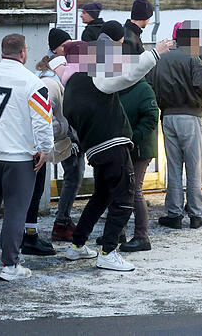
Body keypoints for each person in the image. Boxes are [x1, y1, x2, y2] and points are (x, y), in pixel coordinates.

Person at [62, 35, 174, 271]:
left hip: (95, 151)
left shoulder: (69, 89)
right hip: (113, 146)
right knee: (124, 198)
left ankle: (77, 245)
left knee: (100, 198)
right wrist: (155, 53)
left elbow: (70, 126)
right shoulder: (92, 78)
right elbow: (128, 76)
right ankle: (108, 251)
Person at [0, 34, 55, 281]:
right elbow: (43, 122)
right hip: (19, 158)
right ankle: (10, 264)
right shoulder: (32, 82)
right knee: (15, 211)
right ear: (23, 53)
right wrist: (45, 150)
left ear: (2, 51)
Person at [151, 20, 202, 230]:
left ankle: (174, 213)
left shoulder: (162, 59)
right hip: (191, 117)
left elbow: (152, 84)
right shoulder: (193, 59)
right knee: (194, 168)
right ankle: (196, 214)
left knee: (174, 167)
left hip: (168, 117)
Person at [20, 28, 74, 256]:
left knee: (31, 191)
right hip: (37, 145)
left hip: (32, 143)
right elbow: (45, 118)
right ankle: (29, 237)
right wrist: (46, 145)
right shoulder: (50, 83)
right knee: (32, 191)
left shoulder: (43, 78)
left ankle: (28, 235)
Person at [34, 54, 85, 243]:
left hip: (62, 136)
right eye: (65, 65)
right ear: (57, 67)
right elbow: (47, 116)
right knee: (73, 177)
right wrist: (63, 134)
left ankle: (63, 220)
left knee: (74, 177)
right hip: (63, 138)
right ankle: (61, 222)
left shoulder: (50, 81)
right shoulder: (51, 83)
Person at [117, 76, 159, 252]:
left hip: (139, 149)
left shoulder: (143, 89)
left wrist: (133, 137)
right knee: (120, 190)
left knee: (134, 192)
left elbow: (151, 116)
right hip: (123, 146)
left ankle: (142, 236)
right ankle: (118, 231)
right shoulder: (118, 85)